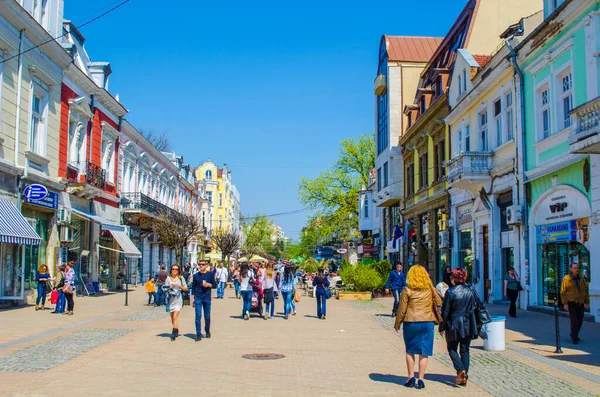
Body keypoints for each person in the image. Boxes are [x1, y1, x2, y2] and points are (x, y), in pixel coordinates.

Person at [394, 264, 442, 390]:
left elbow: (402, 309)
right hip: (427, 322)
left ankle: (410, 377)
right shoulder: (429, 289)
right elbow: (439, 302)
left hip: (411, 322)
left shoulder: (407, 289)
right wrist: (431, 285)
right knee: (424, 352)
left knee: (410, 350)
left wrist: (397, 323)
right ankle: (421, 379)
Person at [439, 268, 478, 387]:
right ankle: (464, 375)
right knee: (465, 350)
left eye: (452, 276)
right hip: (468, 323)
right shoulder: (471, 290)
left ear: (454, 278)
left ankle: (461, 370)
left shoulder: (450, 292)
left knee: (452, 348)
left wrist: (442, 326)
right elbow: (478, 305)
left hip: (454, 324)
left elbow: (445, 311)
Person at [561, 263, 590, 344]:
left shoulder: (581, 279)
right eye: (574, 268)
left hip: (580, 302)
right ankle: (574, 338)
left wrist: (587, 302)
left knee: (580, 320)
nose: (576, 269)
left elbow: (586, 291)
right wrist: (565, 303)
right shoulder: (566, 279)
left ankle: (574, 334)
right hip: (571, 302)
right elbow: (563, 292)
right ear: (571, 269)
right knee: (574, 320)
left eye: (577, 268)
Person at [191, 262, 216, 341]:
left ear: (206, 266)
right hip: (198, 298)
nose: (201, 266)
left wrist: (209, 285)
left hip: (207, 298)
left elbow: (215, 285)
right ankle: (198, 334)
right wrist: (192, 298)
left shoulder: (210, 275)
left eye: (203, 264)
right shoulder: (196, 276)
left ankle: (207, 330)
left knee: (207, 316)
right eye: (199, 264)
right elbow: (193, 287)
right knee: (198, 316)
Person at [165, 264, 188, 341]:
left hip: (178, 300)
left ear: (178, 271)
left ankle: (173, 333)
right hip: (170, 300)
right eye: (173, 269)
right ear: (171, 270)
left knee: (175, 316)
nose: (174, 270)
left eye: (176, 269)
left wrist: (181, 287)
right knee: (172, 317)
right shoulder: (168, 279)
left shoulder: (181, 278)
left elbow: (186, 288)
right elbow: (164, 289)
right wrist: (169, 287)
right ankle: (176, 329)